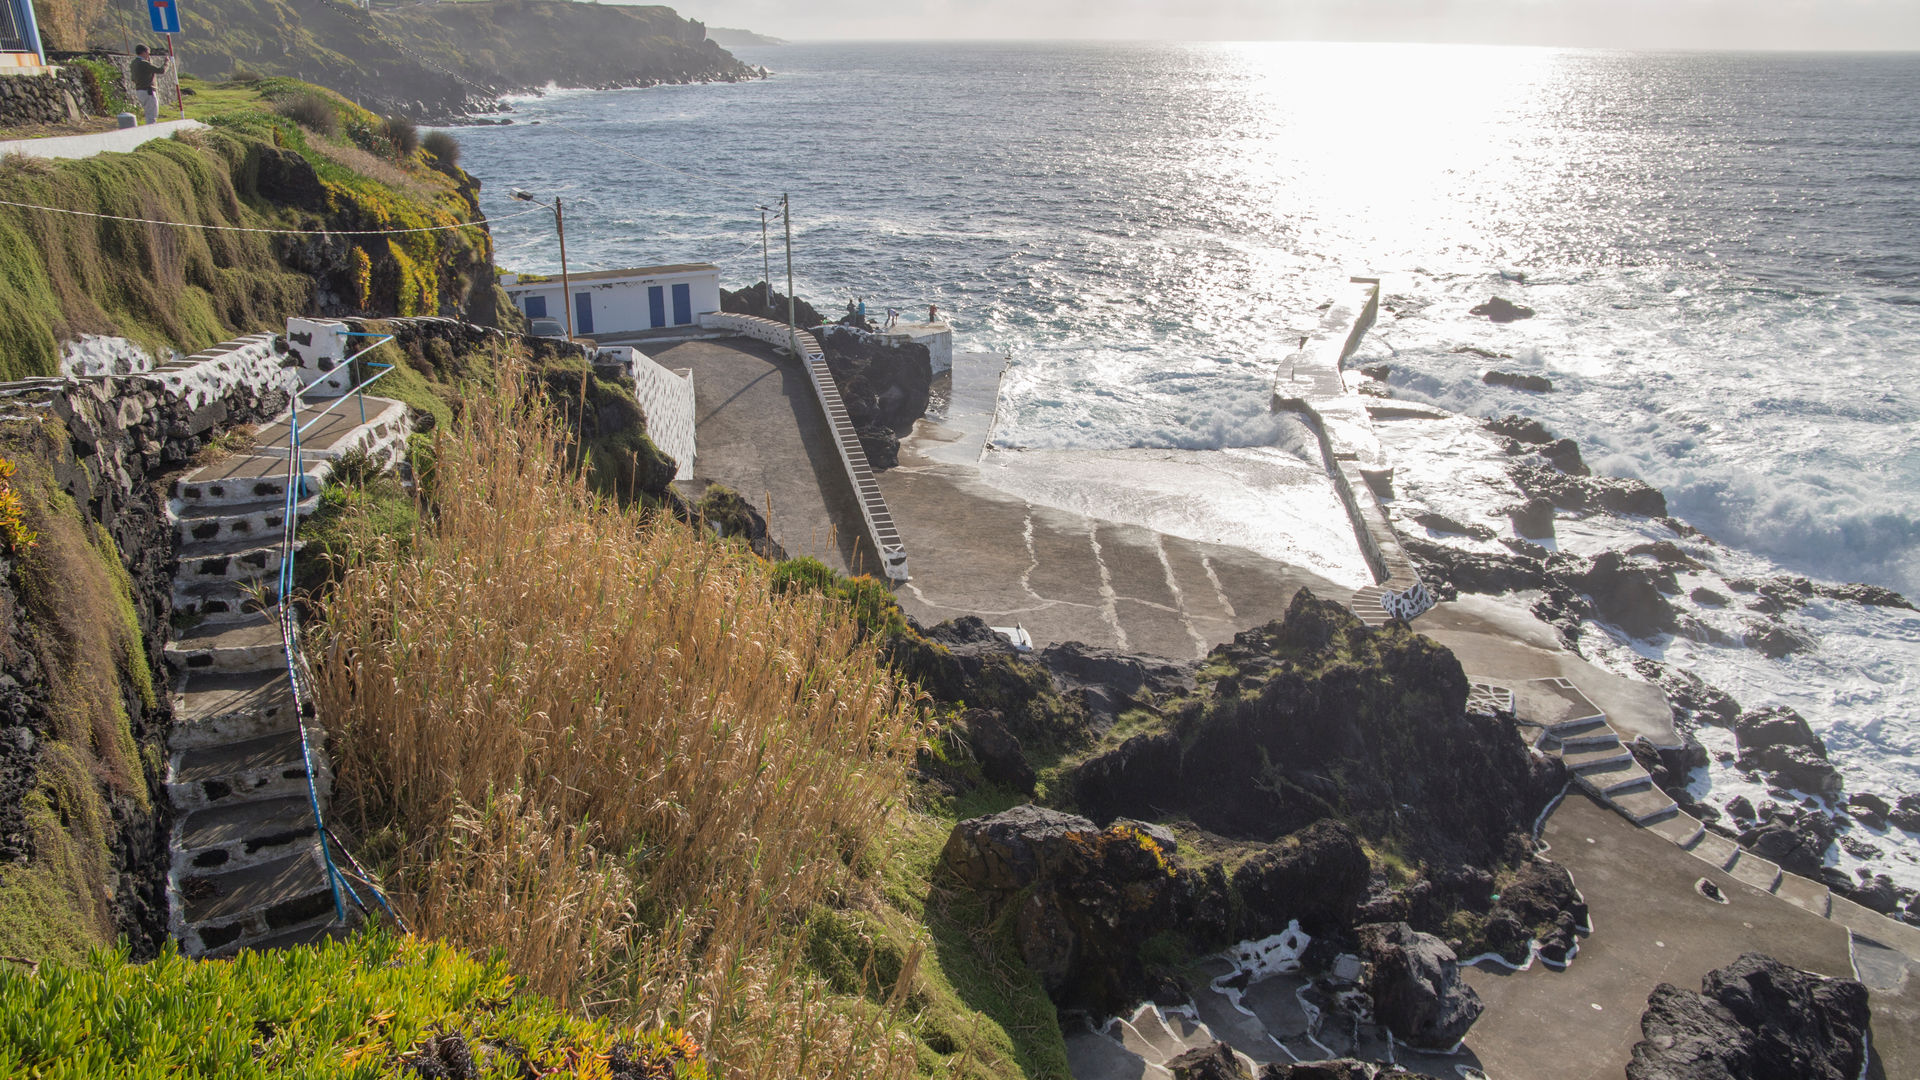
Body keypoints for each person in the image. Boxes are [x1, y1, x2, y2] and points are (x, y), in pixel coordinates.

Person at [130, 45, 168, 125]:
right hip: (148, 91)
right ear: (144, 52)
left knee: (148, 113)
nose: (149, 55)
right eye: (148, 53)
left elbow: (133, 78)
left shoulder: (133, 63)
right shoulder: (143, 63)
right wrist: (166, 63)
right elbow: (160, 70)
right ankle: (152, 133)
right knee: (152, 115)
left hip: (139, 90)